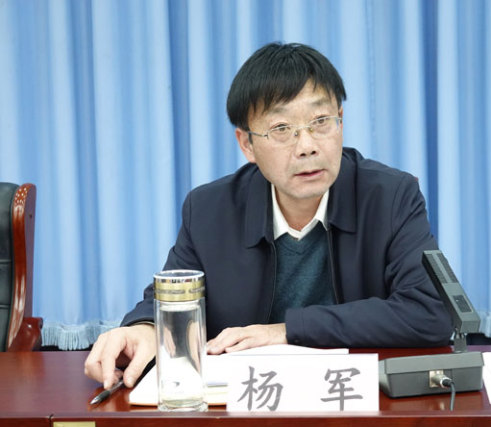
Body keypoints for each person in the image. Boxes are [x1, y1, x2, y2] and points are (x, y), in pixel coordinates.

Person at [84, 42, 453, 390]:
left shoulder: (391, 197)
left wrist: (285, 330)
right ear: (247, 144)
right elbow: (173, 297)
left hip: (357, 400)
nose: (307, 146)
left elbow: (430, 313)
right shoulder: (210, 210)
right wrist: (147, 328)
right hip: (250, 405)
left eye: (321, 121)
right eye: (281, 129)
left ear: (340, 121)